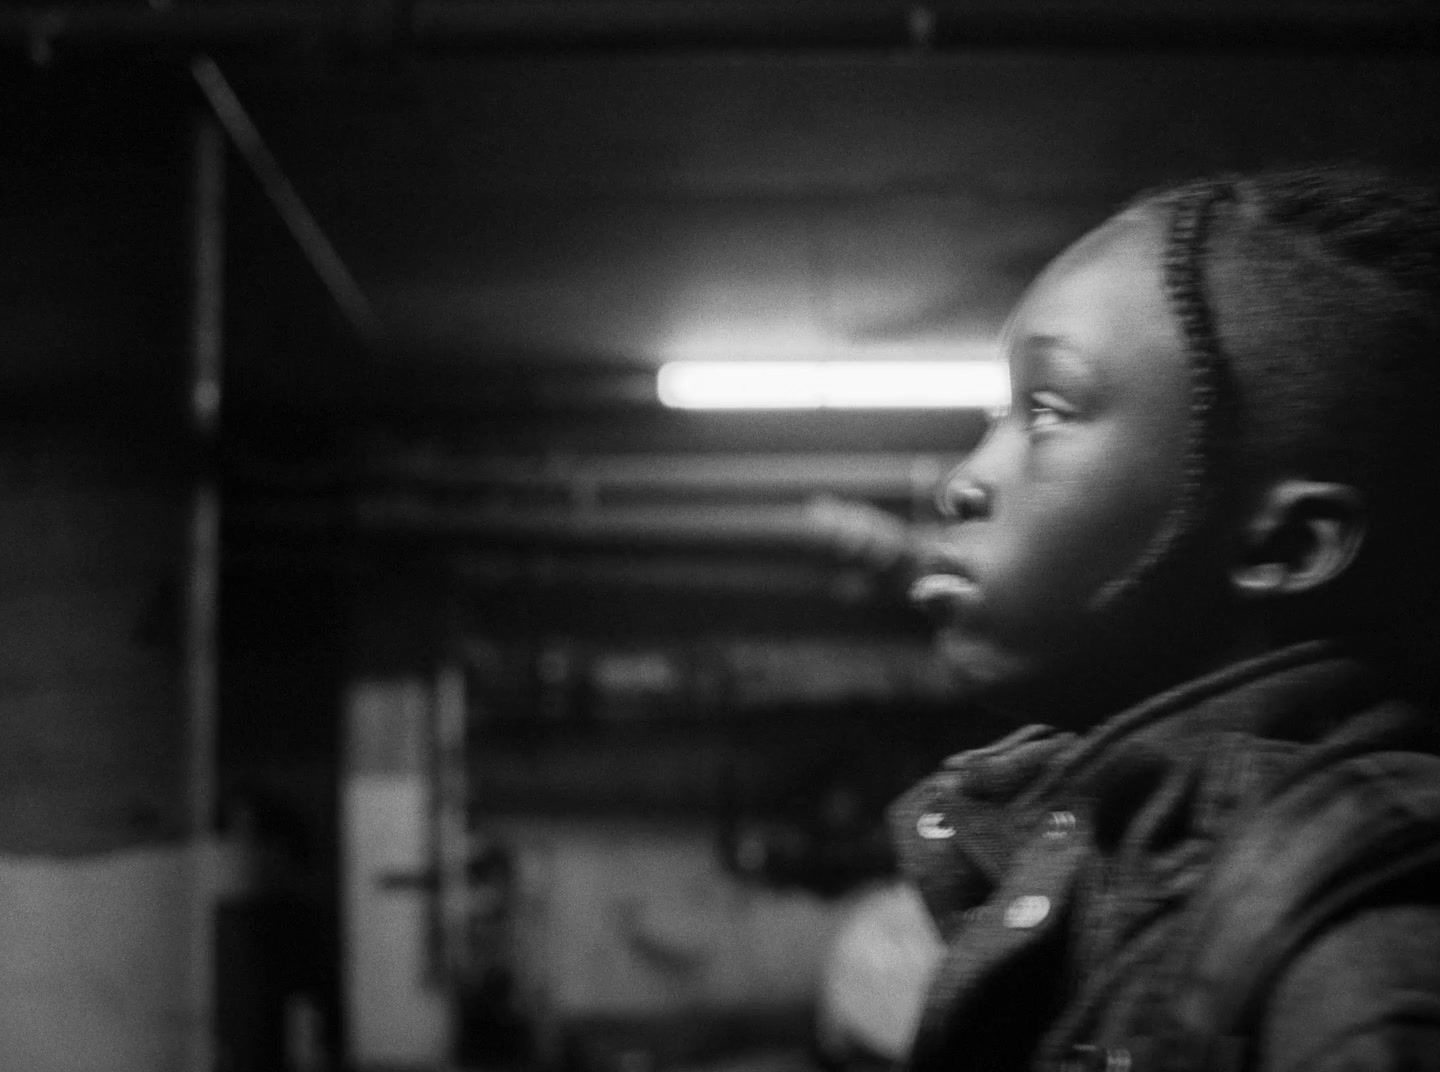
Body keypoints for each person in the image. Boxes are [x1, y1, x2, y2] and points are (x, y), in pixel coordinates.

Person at [893, 166, 1440, 1072]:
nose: (964, 482)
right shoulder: (1116, 868)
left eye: (1048, 411)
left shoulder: (1363, 958)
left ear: (1288, 546)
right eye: (999, 413)